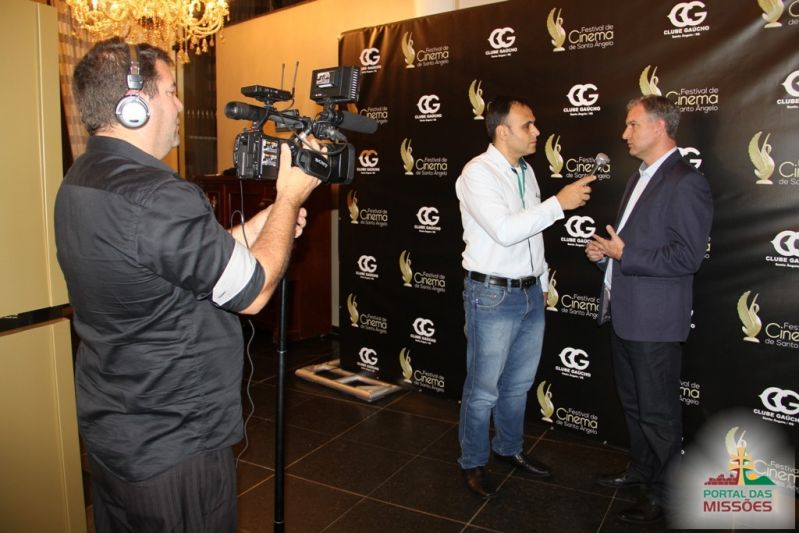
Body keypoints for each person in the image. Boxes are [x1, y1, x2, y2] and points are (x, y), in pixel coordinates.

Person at [54, 38, 320, 531]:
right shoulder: (158, 193)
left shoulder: (82, 178)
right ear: (134, 105)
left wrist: (256, 228)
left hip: (116, 426)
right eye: (171, 91)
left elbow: (166, 262)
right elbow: (254, 291)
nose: (179, 106)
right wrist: (289, 198)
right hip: (175, 440)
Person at [455, 95, 595, 499]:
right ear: (503, 132)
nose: (536, 131)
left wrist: (542, 284)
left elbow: (533, 237)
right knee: (484, 389)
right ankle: (473, 461)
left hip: (530, 292)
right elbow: (504, 230)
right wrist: (559, 204)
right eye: (527, 125)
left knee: (518, 385)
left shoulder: (526, 171)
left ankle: (508, 448)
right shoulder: (477, 173)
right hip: (492, 294)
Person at [585, 95, 713, 524]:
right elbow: (633, 246)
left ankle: (666, 494)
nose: (624, 133)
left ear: (659, 127)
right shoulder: (639, 177)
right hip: (626, 314)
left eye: (632, 124)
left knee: (658, 415)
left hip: (654, 322)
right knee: (636, 405)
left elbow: (687, 257)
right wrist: (607, 256)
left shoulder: (686, 181)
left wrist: (625, 254)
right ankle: (642, 471)